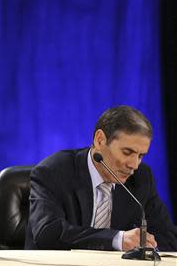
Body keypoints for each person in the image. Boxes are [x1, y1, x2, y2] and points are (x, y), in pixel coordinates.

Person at [25, 105, 177, 251]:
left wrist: (146, 244)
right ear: (100, 140)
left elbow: (168, 237)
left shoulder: (142, 178)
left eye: (140, 156)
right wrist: (117, 239)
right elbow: (47, 233)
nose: (134, 165)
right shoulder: (54, 171)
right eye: (127, 152)